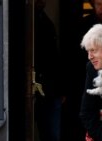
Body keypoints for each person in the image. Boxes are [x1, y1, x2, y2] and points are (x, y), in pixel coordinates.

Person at [34, 0, 64, 141]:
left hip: (51, 88)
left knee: (51, 134)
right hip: (38, 86)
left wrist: (61, 89)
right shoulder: (29, 19)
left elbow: (54, 59)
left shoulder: (45, 19)